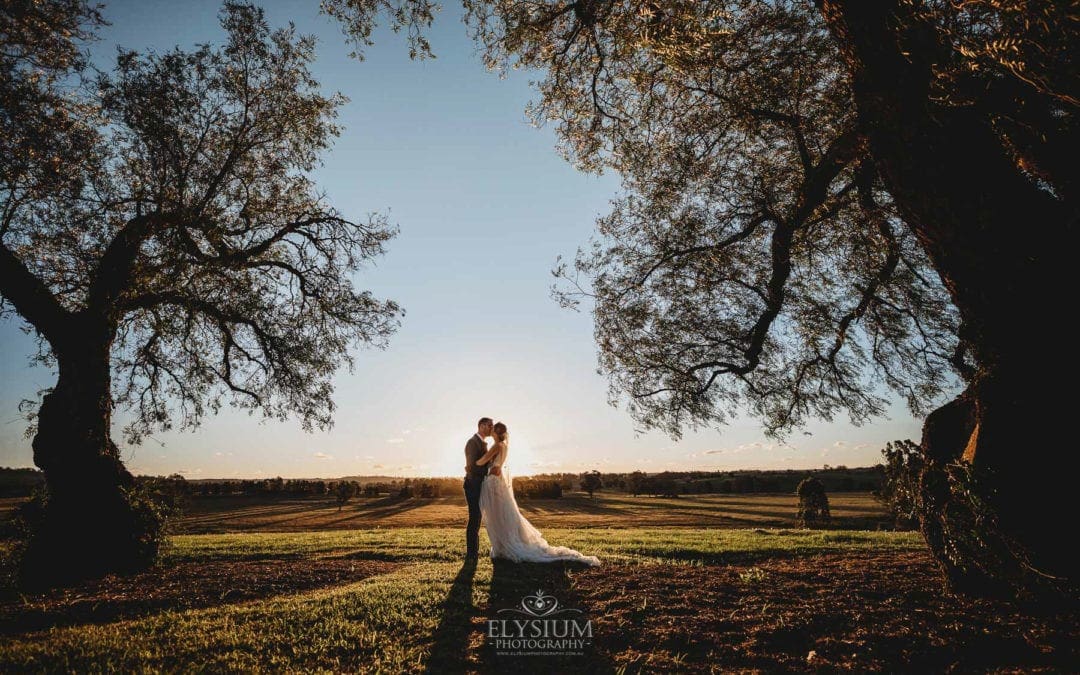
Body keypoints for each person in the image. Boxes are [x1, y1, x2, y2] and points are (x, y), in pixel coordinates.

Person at [476, 421, 600, 566]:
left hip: (493, 483)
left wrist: (470, 464)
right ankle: (503, 546)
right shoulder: (504, 446)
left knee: (498, 515)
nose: (489, 430)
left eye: (492, 429)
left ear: (496, 433)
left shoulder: (497, 446)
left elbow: (481, 462)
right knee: (504, 515)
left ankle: (505, 546)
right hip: (498, 481)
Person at [463, 417, 494, 559]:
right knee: (474, 518)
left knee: (477, 518)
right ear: (481, 426)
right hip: (472, 485)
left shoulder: (482, 443)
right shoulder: (472, 442)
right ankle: (471, 553)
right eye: (489, 425)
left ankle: (473, 552)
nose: (491, 428)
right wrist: (489, 471)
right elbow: (471, 467)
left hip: (480, 484)